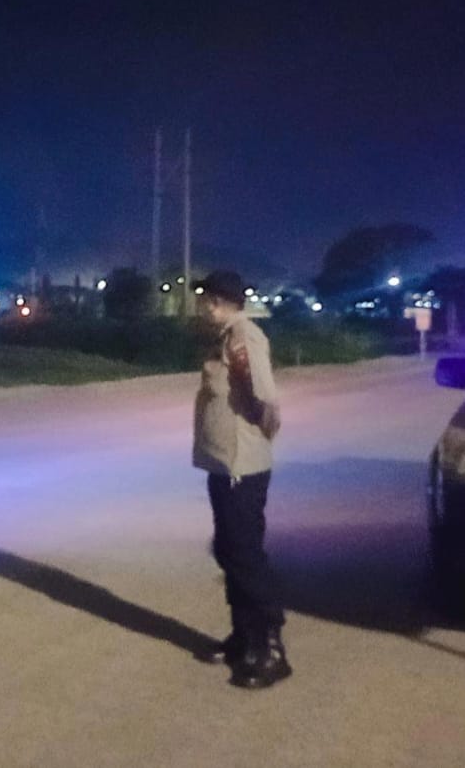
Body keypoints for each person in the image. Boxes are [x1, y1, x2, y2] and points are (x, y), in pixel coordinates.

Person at [192, 269, 289, 689]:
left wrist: (254, 443)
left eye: (206, 300)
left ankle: (270, 646)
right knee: (229, 551)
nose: (202, 307)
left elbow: (265, 401)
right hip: (223, 465)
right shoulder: (225, 337)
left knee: (245, 555)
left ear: (220, 302)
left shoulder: (244, 338)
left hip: (241, 467)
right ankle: (243, 636)